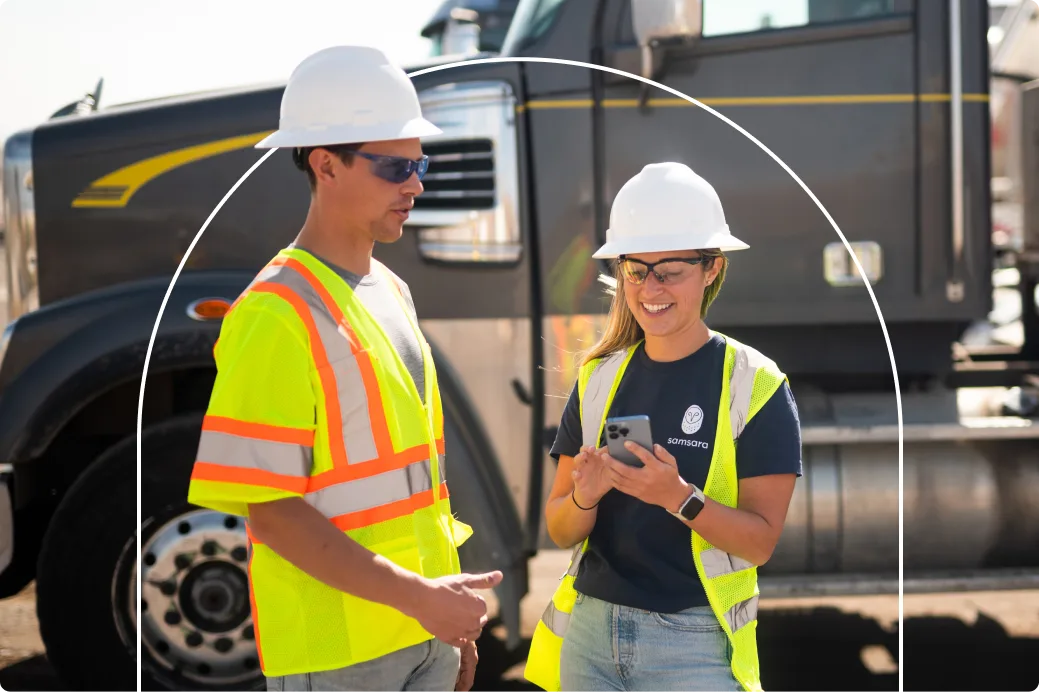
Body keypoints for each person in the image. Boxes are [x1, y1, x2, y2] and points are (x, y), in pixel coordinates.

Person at [186, 45, 502, 692]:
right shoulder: (271, 314)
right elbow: (272, 512)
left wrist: (442, 619)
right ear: (325, 165)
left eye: (419, 163)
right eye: (394, 166)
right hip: (335, 656)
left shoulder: (390, 290)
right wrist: (422, 600)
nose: (415, 183)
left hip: (420, 637)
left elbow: (414, 489)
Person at [524, 162, 802, 692]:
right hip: (589, 638)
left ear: (711, 268)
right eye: (636, 269)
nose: (651, 287)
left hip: (692, 646)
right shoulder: (598, 378)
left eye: (670, 270)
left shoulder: (755, 384)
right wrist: (585, 495)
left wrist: (677, 496)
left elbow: (760, 544)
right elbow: (560, 529)